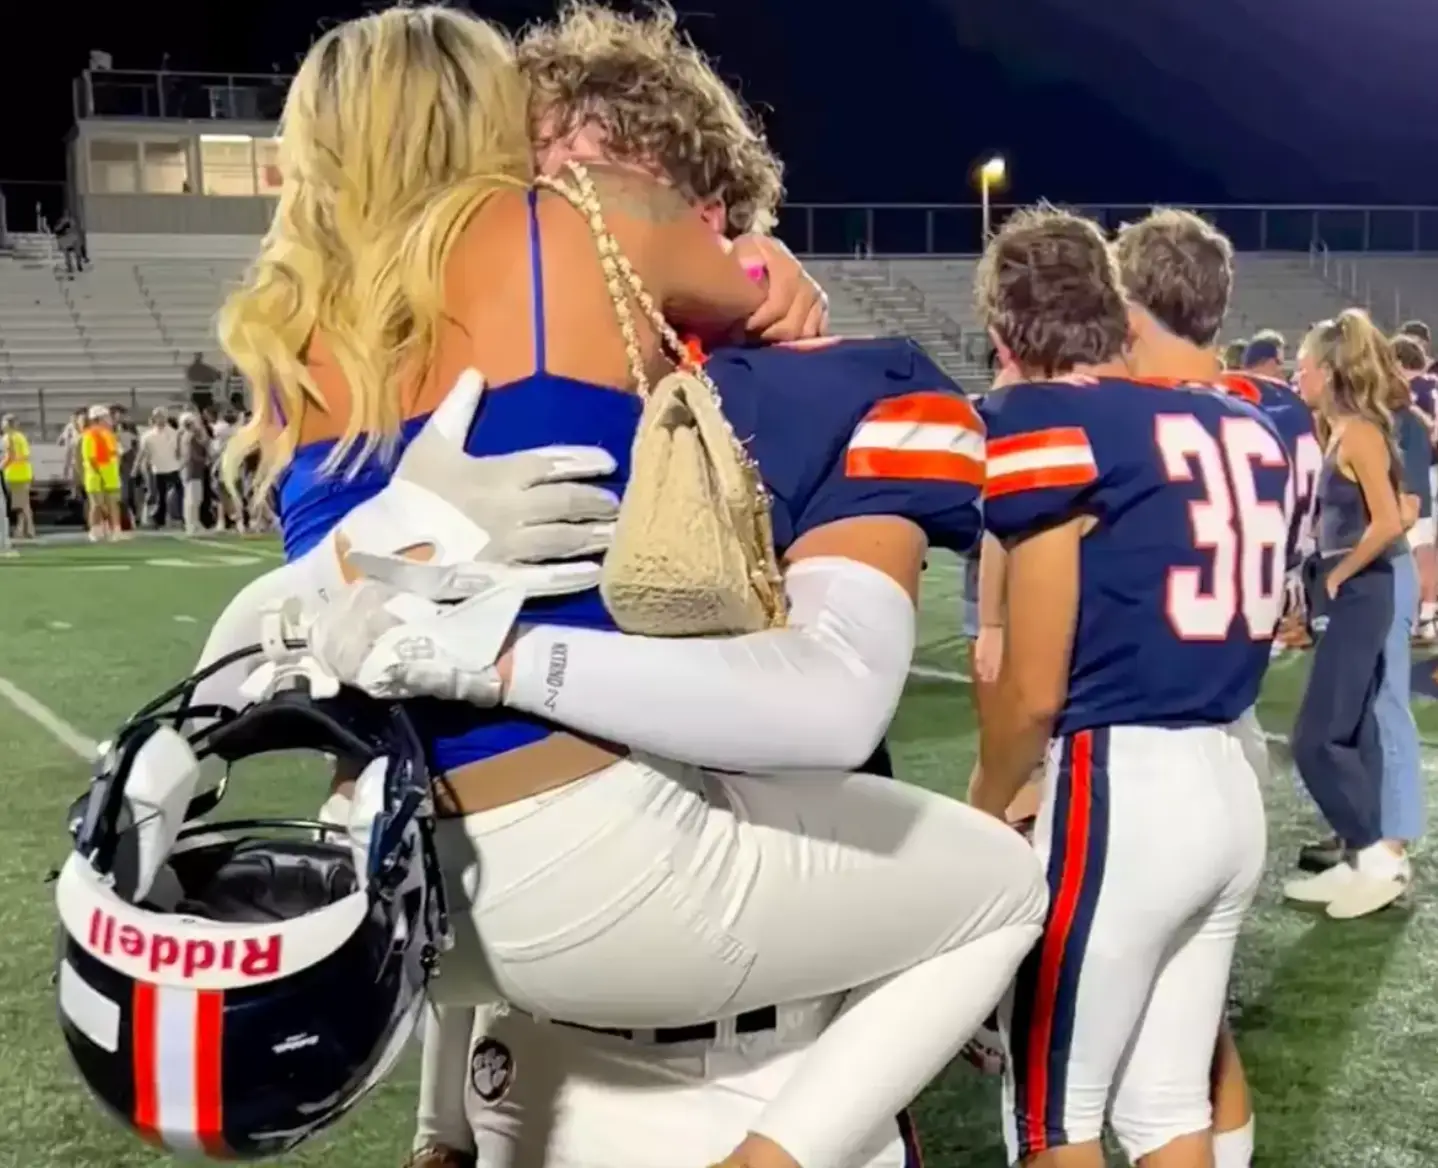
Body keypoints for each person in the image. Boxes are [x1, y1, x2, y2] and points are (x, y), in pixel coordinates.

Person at [198, 12, 1049, 1168]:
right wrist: (752, 263)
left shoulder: (305, 333)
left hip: (414, 891)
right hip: (603, 929)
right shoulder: (580, 247)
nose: (559, 183)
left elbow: (273, 655)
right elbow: (826, 701)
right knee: (1000, 888)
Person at [973, 207, 1280, 1168]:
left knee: (1053, 1119)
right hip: (1232, 778)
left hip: (1126, 789)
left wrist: (985, 806)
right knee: (1162, 1110)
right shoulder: (1246, 419)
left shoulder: (1049, 422)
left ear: (999, 339)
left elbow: (1031, 691)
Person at [1111, 206, 1270, 1168]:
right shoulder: (1264, 419)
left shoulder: (1112, 421)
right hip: (1233, 743)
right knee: (1191, 1038)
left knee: (1065, 1095)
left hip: (1133, 757)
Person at [1282, 310, 1410, 919]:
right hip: (1348, 591)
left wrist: (1337, 574)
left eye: (1303, 367)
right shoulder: (1333, 431)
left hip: (1363, 591)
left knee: (1315, 738)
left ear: (1329, 371)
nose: (1295, 376)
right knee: (1351, 732)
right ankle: (1361, 863)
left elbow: (1388, 519)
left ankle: (1377, 857)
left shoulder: (1358, 431)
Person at [1392, 334, 1437, 638]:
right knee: (1428, 547)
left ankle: (1410, 614)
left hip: (1416, 473)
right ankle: (1429, 614)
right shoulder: (1432, 384)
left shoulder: (1401, 391)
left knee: (1409, 549)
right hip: (1430, 469)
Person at [79, 405, 123, 541]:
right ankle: (95, 530)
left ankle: (115, 530)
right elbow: (91, 458)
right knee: (96, 504)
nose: (109, 419)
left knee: (112, 504)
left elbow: (116, 455)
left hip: (110, 476)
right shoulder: (90, 435)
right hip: (96, 476)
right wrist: (101, 474)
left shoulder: (110, 435)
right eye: (106, 417)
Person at [138, 406, 181, 527]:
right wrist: (137, 468)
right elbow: (143, 453)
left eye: (162, 416)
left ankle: (178, 517)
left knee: (177, 494)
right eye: (157, 416)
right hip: (158, 469)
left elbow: (179, 451)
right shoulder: (147, 436)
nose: (160, 419)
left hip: (174, 468)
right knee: (159, 496)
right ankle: (159, 520)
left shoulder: (174, 433)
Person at [0, 413, 35, 540]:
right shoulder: (15, 437)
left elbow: (19, 456)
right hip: (18, 474)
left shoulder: (13, 438)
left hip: (17, 475)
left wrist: (4, 464)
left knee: (22, 504)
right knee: (22, 503)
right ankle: (23, 529)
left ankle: (28, 529)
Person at [178, 410, 210, 535]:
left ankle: (194, 523)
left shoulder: (188, 435)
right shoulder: (189, 436)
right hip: (192, 469)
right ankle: (191, 524)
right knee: (192, 498)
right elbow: (191, 454)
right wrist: (204, 460)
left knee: (196, 498)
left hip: (194, 469)